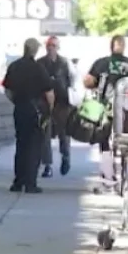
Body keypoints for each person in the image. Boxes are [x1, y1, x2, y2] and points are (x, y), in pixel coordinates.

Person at [83, 35, 128, 181]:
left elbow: (89, 81)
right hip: (126, 108)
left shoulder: (101, 63)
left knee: (104, 138)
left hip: (105, 106)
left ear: (111, 46)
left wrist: (91, 84)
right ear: (124, 46)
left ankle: (108, 173)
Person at [3, 38, 54, 194]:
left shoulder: (14, 66)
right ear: (35, 50)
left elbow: (7, 90)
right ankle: (30, 183)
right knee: (34, 147)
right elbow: (49, 92)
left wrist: (17, 102)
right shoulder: (39, 68)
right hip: (36, 110)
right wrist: (49, 112)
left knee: (21, 145)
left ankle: (18, 182)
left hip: (20, 108)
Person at [37, 36, 78, 177]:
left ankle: (65, 157)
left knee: (64, 135)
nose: (51, 48)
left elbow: (73, 81)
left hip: (62, 103)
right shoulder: (40, 63)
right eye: (49, 45)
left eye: (54, 45)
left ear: (58, 47)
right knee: (45, 136)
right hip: (45, 104)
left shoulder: (64, 63)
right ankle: (47, 165)